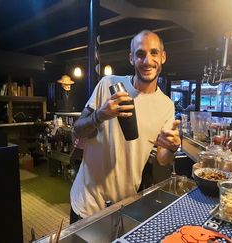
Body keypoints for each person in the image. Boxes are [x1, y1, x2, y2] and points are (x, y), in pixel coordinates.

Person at [69, 30, 181, 222]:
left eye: (154, 53)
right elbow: (77, 130)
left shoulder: (166, 105)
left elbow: (163, 159)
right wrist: (99, 115)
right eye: (140, 54)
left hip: (124, 205)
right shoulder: (108, 85)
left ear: (163, 57)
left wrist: (172, 148)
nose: (147, 61)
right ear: (131, 58)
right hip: (87, 203)